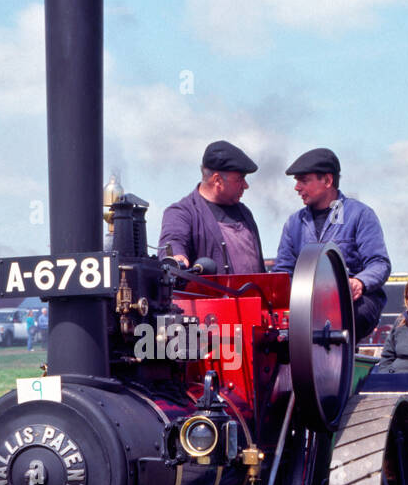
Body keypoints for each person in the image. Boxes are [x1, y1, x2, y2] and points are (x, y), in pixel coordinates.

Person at [273, 148, 391, 341]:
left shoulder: (360, 215)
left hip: (352, 305)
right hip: (307, 306)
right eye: (296, 181)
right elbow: (283, 272)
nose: (296, 187)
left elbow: (380, 263)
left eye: (303, 181)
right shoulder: (293, 223)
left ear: (327, 181)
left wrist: (359, 282)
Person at [157, 140, 265, 275]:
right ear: (217, 180)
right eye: (240, 179)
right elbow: (173, 241)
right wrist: (176, 259)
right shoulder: (181, 213)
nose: (246, 185)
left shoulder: (245, 212)